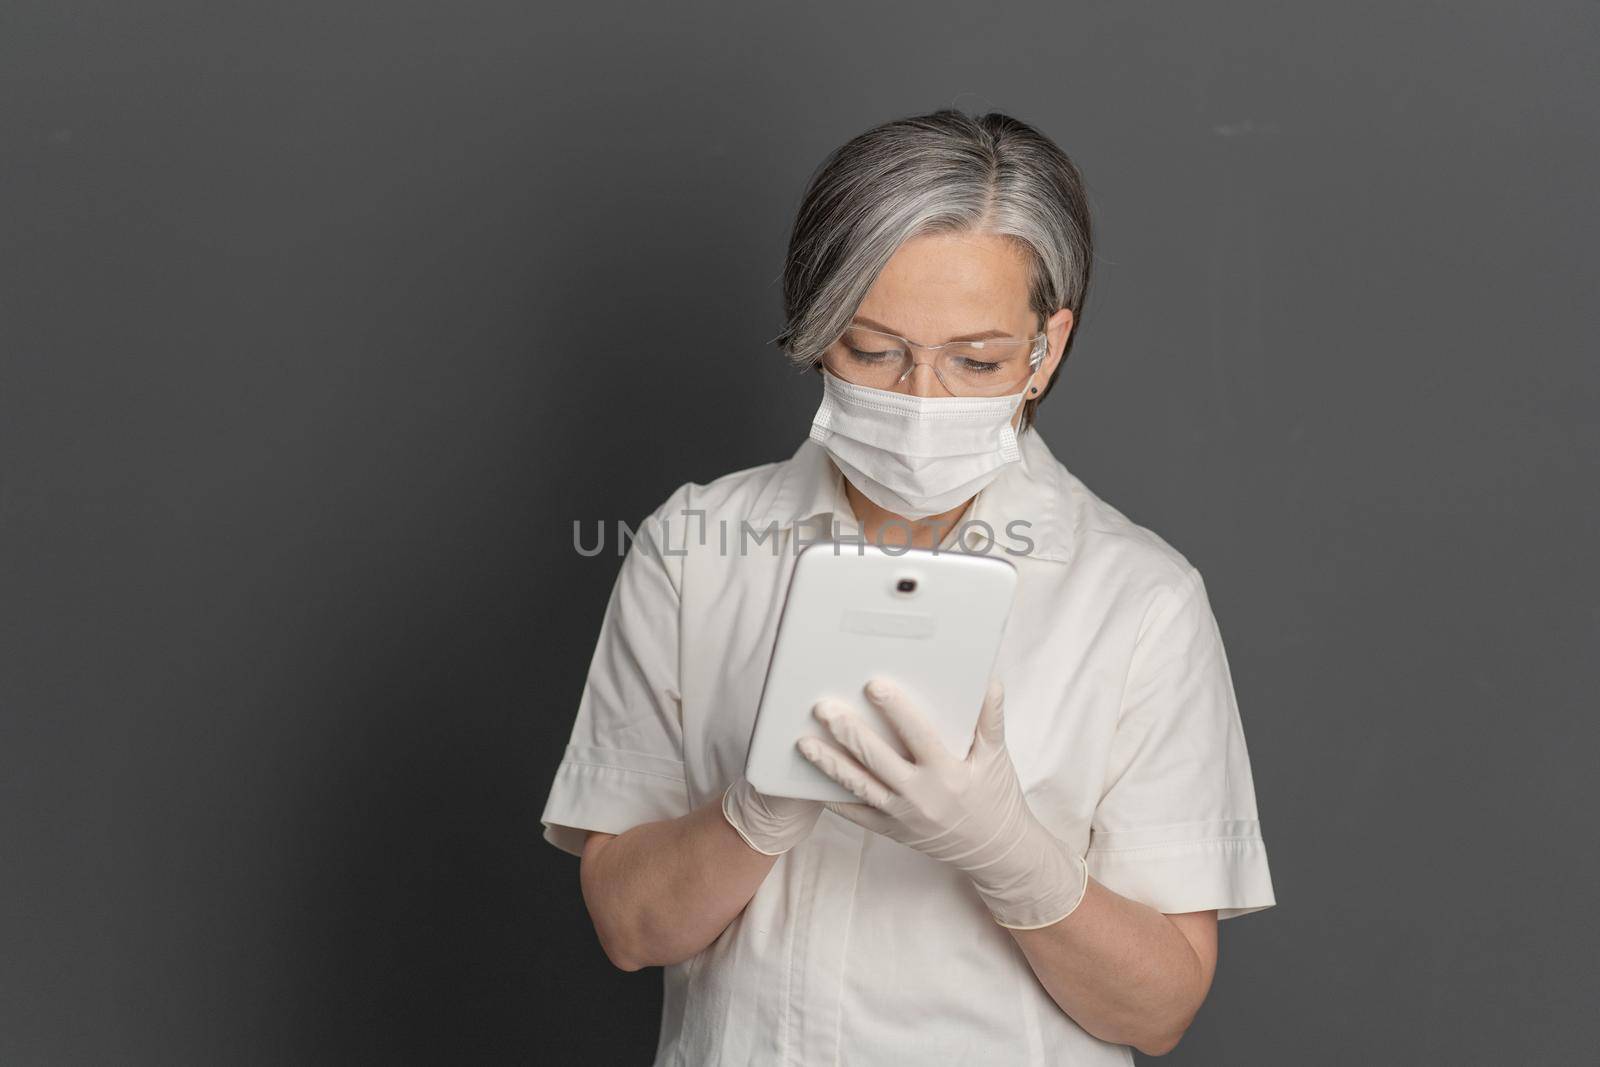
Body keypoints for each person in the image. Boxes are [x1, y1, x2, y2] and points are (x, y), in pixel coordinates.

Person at [540, 108, 1276, 1065]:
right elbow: (631, 930)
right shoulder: (694, 547)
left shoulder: (1139, 600)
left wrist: (1009, 851)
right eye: (872, 350)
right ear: (814, 328)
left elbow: (1159, 1010)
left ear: (1045, 348)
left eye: (977, 360)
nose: (923, 400)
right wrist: (756, 810)